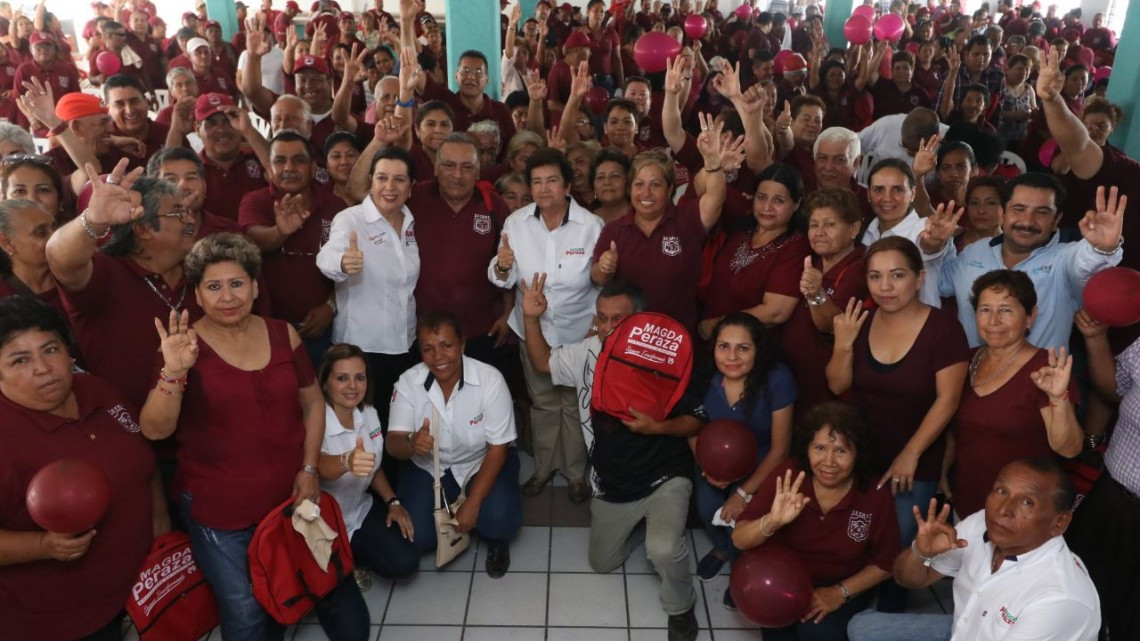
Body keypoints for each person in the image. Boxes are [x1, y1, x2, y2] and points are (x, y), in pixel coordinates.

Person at [139, 233, 370, 640]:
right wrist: (174, 370)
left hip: (287, 497)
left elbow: (314, 405)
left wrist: (310, 468)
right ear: (197, 293)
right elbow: (156, 429)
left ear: (255, 286)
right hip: (220, 509)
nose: (227, 296)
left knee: (294, 589)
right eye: (213, 286)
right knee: (245, 609)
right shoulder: (183, 347)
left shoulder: (284, 335)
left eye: (236, 283)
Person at [518, 276, 703, 640]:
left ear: (640, 321)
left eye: (616, 320)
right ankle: (641, 525)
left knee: (663, 550)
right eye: (600, 318)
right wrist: (530, 318)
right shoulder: (589, 349)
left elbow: (696, 420)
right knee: (601, 563)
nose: (605, 327)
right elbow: (542, 363)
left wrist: (658, 428)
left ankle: (681, 606)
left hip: (664, 477)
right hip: (610, 481)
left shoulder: (665, 358)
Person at [0, 297, 164, 641]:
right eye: (20, 360)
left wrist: (163, 535)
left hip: (142, 591)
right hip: (62, 622)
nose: (43, 368)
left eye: (50, 349)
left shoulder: (99, 391)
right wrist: (43, 545)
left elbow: (144, 467)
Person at [827, 236, 970, 611]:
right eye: (875, 276)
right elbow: (838, 385)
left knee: (901, 547)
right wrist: (843, 344)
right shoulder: (862, 320)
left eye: (897, 275)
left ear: (919, 278)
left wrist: (911, 453)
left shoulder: (944, 330)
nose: (885, 287)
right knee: (854, 537)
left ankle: (887, 620)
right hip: (860, 454)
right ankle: (847, 611)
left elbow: (949, 399)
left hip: (914, 457)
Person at [848, 458, 1100, 641]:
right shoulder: (981, 523)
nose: (1003, 510)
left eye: (1027, 502)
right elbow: (908, 579)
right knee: (862, 627)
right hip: (966, 628)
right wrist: (921, 552)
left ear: (1060, 522)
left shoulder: (1058, 598)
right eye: (1001, 491)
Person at [490, 147, 603, 503]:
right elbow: (501, 278)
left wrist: (596, 327)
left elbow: (603, 283)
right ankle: (542, 468)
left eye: (551, 180)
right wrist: (504, 266)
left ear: (568, 186)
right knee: (542, 402)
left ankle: (574, 473)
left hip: (577, 332)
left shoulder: (591, 226)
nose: (543, 189)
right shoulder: (516, 223)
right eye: (536, 182)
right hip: (533, 330)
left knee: (573, 403)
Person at [733, 401, 900, 641]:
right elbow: (739, 539)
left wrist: (839, 593)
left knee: (818, 632)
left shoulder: (874, 494)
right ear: (807, 449)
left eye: (841, 451)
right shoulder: (788, 475)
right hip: (782, 581)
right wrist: (772, 521)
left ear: (858, 454)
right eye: (819, 448)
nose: (829, 461)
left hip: (842, 583)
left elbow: (886, 563)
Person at [385, 311, 522, 579]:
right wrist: (411, 443)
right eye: (428, 349)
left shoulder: (490, 380)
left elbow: (497, 449)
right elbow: (393, 444)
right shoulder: (408, 383)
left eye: (446, 346)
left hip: (480, 461)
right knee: (418, 538)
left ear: (462, 344)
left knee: (499, 521)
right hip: (429, 467)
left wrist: (473, 503)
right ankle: (451, 509)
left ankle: (489, 532)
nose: (438, 357)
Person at [920, 173, 1125, 348]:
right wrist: (933, 245)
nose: (1027, 221)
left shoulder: (1065, 259)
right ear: (1002, 213)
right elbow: (938, 285)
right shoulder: (975, 252)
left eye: (1042, 212)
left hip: (1041, 385)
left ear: (1057, 220)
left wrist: (1102, 248)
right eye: (1019, 209)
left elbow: (1086, 263)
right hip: (970, 381)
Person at [946, 269, 1082, 516]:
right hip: (966, 505)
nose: (994, 320)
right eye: (985, 310)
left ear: (1030, 317)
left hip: (1022, 514)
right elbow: (957, 431)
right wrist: (942, 472)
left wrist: (1057, 398)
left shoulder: (1046, 368)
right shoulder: (967, 360)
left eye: (1006, 310)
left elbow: (1069, 448)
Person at [692, 313, 795, 609]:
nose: (732, 357)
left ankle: (741, 569)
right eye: (724, 346)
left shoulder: (777, 378)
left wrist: (743, 493)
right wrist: (705, 466)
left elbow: (781, 449)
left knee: (743, 520)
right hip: (712, 462)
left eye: (743, 348)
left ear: (758, 351)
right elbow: (691, 427)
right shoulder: (704, 374)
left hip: (764, 461)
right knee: (707, 507)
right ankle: (723, 549)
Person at [591, 119, 734, 331]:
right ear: (630, 190)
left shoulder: (687, 219)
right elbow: (598, 278)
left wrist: (712, 161)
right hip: (628, 337)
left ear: (669, 191)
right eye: (639, 185)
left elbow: (714, 199)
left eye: (655, 185)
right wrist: (604, 267)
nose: (646, 193)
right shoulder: (614, 229)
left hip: (678, 338)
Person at [316, 145, 419, 427]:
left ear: (411, 186)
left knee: (398, 424)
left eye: (399, 179)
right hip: (362, 350)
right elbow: (326, 257)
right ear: (371, 181)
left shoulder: (412, 221)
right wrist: (342, 262)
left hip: (405, 345)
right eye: (382, 177)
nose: (389, 186)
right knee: (364, 430)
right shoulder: (350, 219)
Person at [316, 343, 418, 588]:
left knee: (405, 563)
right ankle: (345, 561)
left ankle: (352, 555)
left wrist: (393, 502)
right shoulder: (315, 420)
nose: (352, 386)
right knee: (326, 591)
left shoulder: (369, 413)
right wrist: (347, 461)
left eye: (359, 378)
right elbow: (318, 466)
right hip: (322, 525)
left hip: (358, 511)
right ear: (324, 383)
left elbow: (373, 466)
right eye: (342, 378)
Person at [238, 131, 340, 366]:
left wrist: (330, 307)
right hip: (267, 329)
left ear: (314, 168)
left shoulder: (335, 206)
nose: (289, 167)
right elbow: (253, 241)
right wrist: (280, 232)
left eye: (299, 160)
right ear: (269, 168)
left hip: (321, 329)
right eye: (279, 161)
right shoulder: (255, 201)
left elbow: (348, 267)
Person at [699, 163, 809, 340]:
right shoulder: (742, 229)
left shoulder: (795, 247)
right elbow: (703, 189)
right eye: (761, 197)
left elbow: (775, 312)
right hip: (709, 339)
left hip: (749, 349)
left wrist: (720, 324)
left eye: (778, 200)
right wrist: (714, 164)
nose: (767, 207)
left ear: (796, 204)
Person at [782, 189, 867, 412]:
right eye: (814, 225)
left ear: (854, 229)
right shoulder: (814, 263)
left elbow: (831, 325)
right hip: (797, 382)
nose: (819, 232)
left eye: (830, 224)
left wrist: (816, 293)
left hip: (828, 393)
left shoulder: (860, 268)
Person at [956, 176, 1003, 251]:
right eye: (974, 203)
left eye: (991, 203)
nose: (981, 211)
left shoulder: (1015, 249)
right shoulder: (952, 243)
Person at [590, 148, 631, 224]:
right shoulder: (588, 221)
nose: (607, 182)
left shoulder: (640, 217)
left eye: (614, 176)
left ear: (627, 181)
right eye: (600, 177)